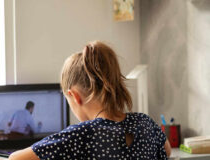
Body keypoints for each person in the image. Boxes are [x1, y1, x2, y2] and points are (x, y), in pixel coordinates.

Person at [9, 41, 171, 160]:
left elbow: (15, 159)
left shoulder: (80, 135)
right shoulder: (145, 122)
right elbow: (167, 150)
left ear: (75, 96)